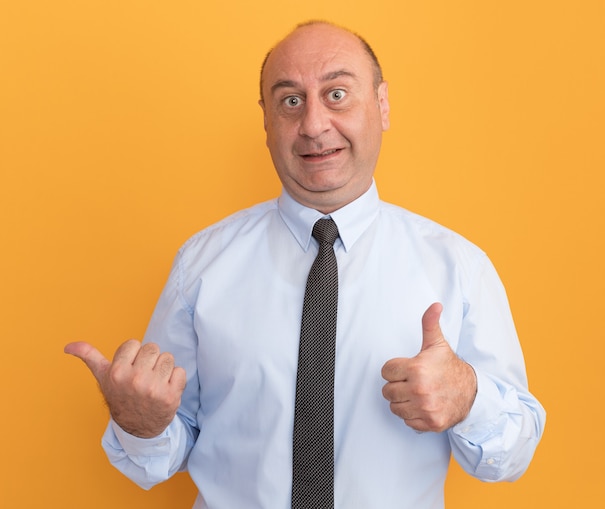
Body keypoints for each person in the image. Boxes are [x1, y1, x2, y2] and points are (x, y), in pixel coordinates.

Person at [65, 20, 546, 509]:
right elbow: (165, 451)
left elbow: (514, 454)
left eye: (337, 94)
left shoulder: (457, 265)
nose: (314, 125)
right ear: (267, 120)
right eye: (291, 101)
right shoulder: (201, 265)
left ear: (381, 105)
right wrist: (141, 424)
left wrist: (468, 398)